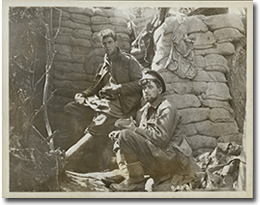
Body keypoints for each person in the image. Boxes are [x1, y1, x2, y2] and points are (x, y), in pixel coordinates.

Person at [107, 70, 200, 191]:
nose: (146, 91)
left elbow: (161, 139)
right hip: (157, 154)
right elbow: (143, 132)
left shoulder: (166, 108)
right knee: (121, 139)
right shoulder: (146, 110)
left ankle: (136, 180)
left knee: (126, 136)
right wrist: (123, 134)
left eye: (150, 87)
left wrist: (133, 130)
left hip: (169, 157)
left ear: (159, 90)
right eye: (144, 88)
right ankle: (128, 174)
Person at [63, 29, 143, 171]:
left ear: (116, 42)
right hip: (103, 103)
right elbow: (95, 86)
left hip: (122, 106)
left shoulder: (129, 61)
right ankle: (83, 154)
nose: (107, 46)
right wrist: (82, 94)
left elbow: (139, 84)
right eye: (104, 43)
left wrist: (118, 88)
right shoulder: (104, 64)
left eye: (110, 42)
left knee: (99, 124)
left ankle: (68, 161)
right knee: (71, 108)